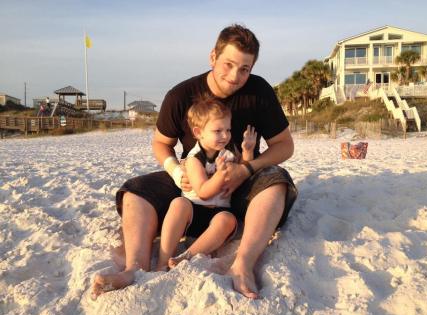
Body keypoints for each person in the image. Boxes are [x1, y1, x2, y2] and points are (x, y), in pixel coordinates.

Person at [91, 23, 297, 300]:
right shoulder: (181, 95)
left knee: (277, 180)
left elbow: (284, 145)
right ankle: (135, 268)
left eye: (245, 69)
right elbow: (161, 143)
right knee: (135, 189)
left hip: (241, 189)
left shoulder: (259, 92)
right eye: (228, 64)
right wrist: (176, 171)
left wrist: (247, 168)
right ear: (213, 56)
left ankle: (243, 264)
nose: (235, 76)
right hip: (191, 186)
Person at [155, 95, 257, 271]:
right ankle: (163, 262)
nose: (225, 135)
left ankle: (187, 257)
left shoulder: (228, 151)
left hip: (219, 214)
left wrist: (248, 150)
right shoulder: (194, 159)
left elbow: (243, 169)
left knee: (228, 220)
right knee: (178, 204)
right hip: (194, 213)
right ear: (198, 132)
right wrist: (219, 175)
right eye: (218, 131)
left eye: (228, 130)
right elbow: (202, 191)